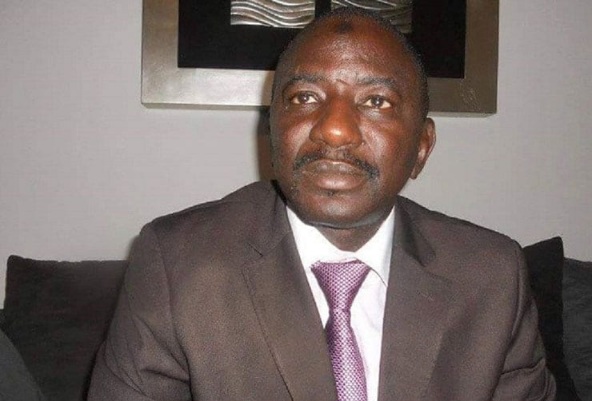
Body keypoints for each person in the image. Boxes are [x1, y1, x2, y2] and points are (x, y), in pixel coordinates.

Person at [88, 7, 556, 401]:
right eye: (305, 96)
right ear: (272, 130)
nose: (334, 129)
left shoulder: (493, 277)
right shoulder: (177, 265)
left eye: (377, 101)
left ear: (421, 148)